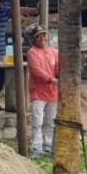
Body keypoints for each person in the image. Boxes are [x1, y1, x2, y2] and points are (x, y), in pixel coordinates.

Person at [26, 25, 59, 158]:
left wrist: (60, 77)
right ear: (34, 38)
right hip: (38, 92)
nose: (42, 38)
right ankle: (36, 148)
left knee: (51, 122)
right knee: (37, 121)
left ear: (47, 36)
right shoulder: (32, 52)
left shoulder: (55, 52)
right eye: (38, 36)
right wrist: (52, 79)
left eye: (44, 35)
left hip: (53, 92)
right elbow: (36, 71)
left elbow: (58, 69)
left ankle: (48, 146)